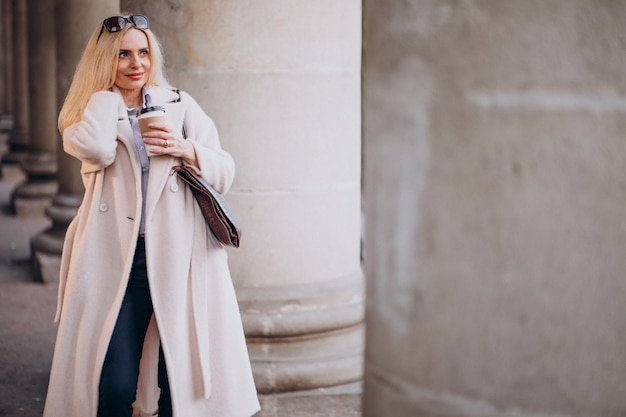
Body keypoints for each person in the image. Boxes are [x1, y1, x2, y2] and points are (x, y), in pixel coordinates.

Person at [43, 14, 260, 417]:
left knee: (181, 384)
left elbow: (225, 170)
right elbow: (97, 150)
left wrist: (183, 148)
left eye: (143, 53)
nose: (135, 64)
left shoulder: (179, 105)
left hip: (182, 258)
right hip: (117, 262)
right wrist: (105, 99)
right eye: (122, 55)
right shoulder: (87, 116)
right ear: (104, 60)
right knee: (115, 385)